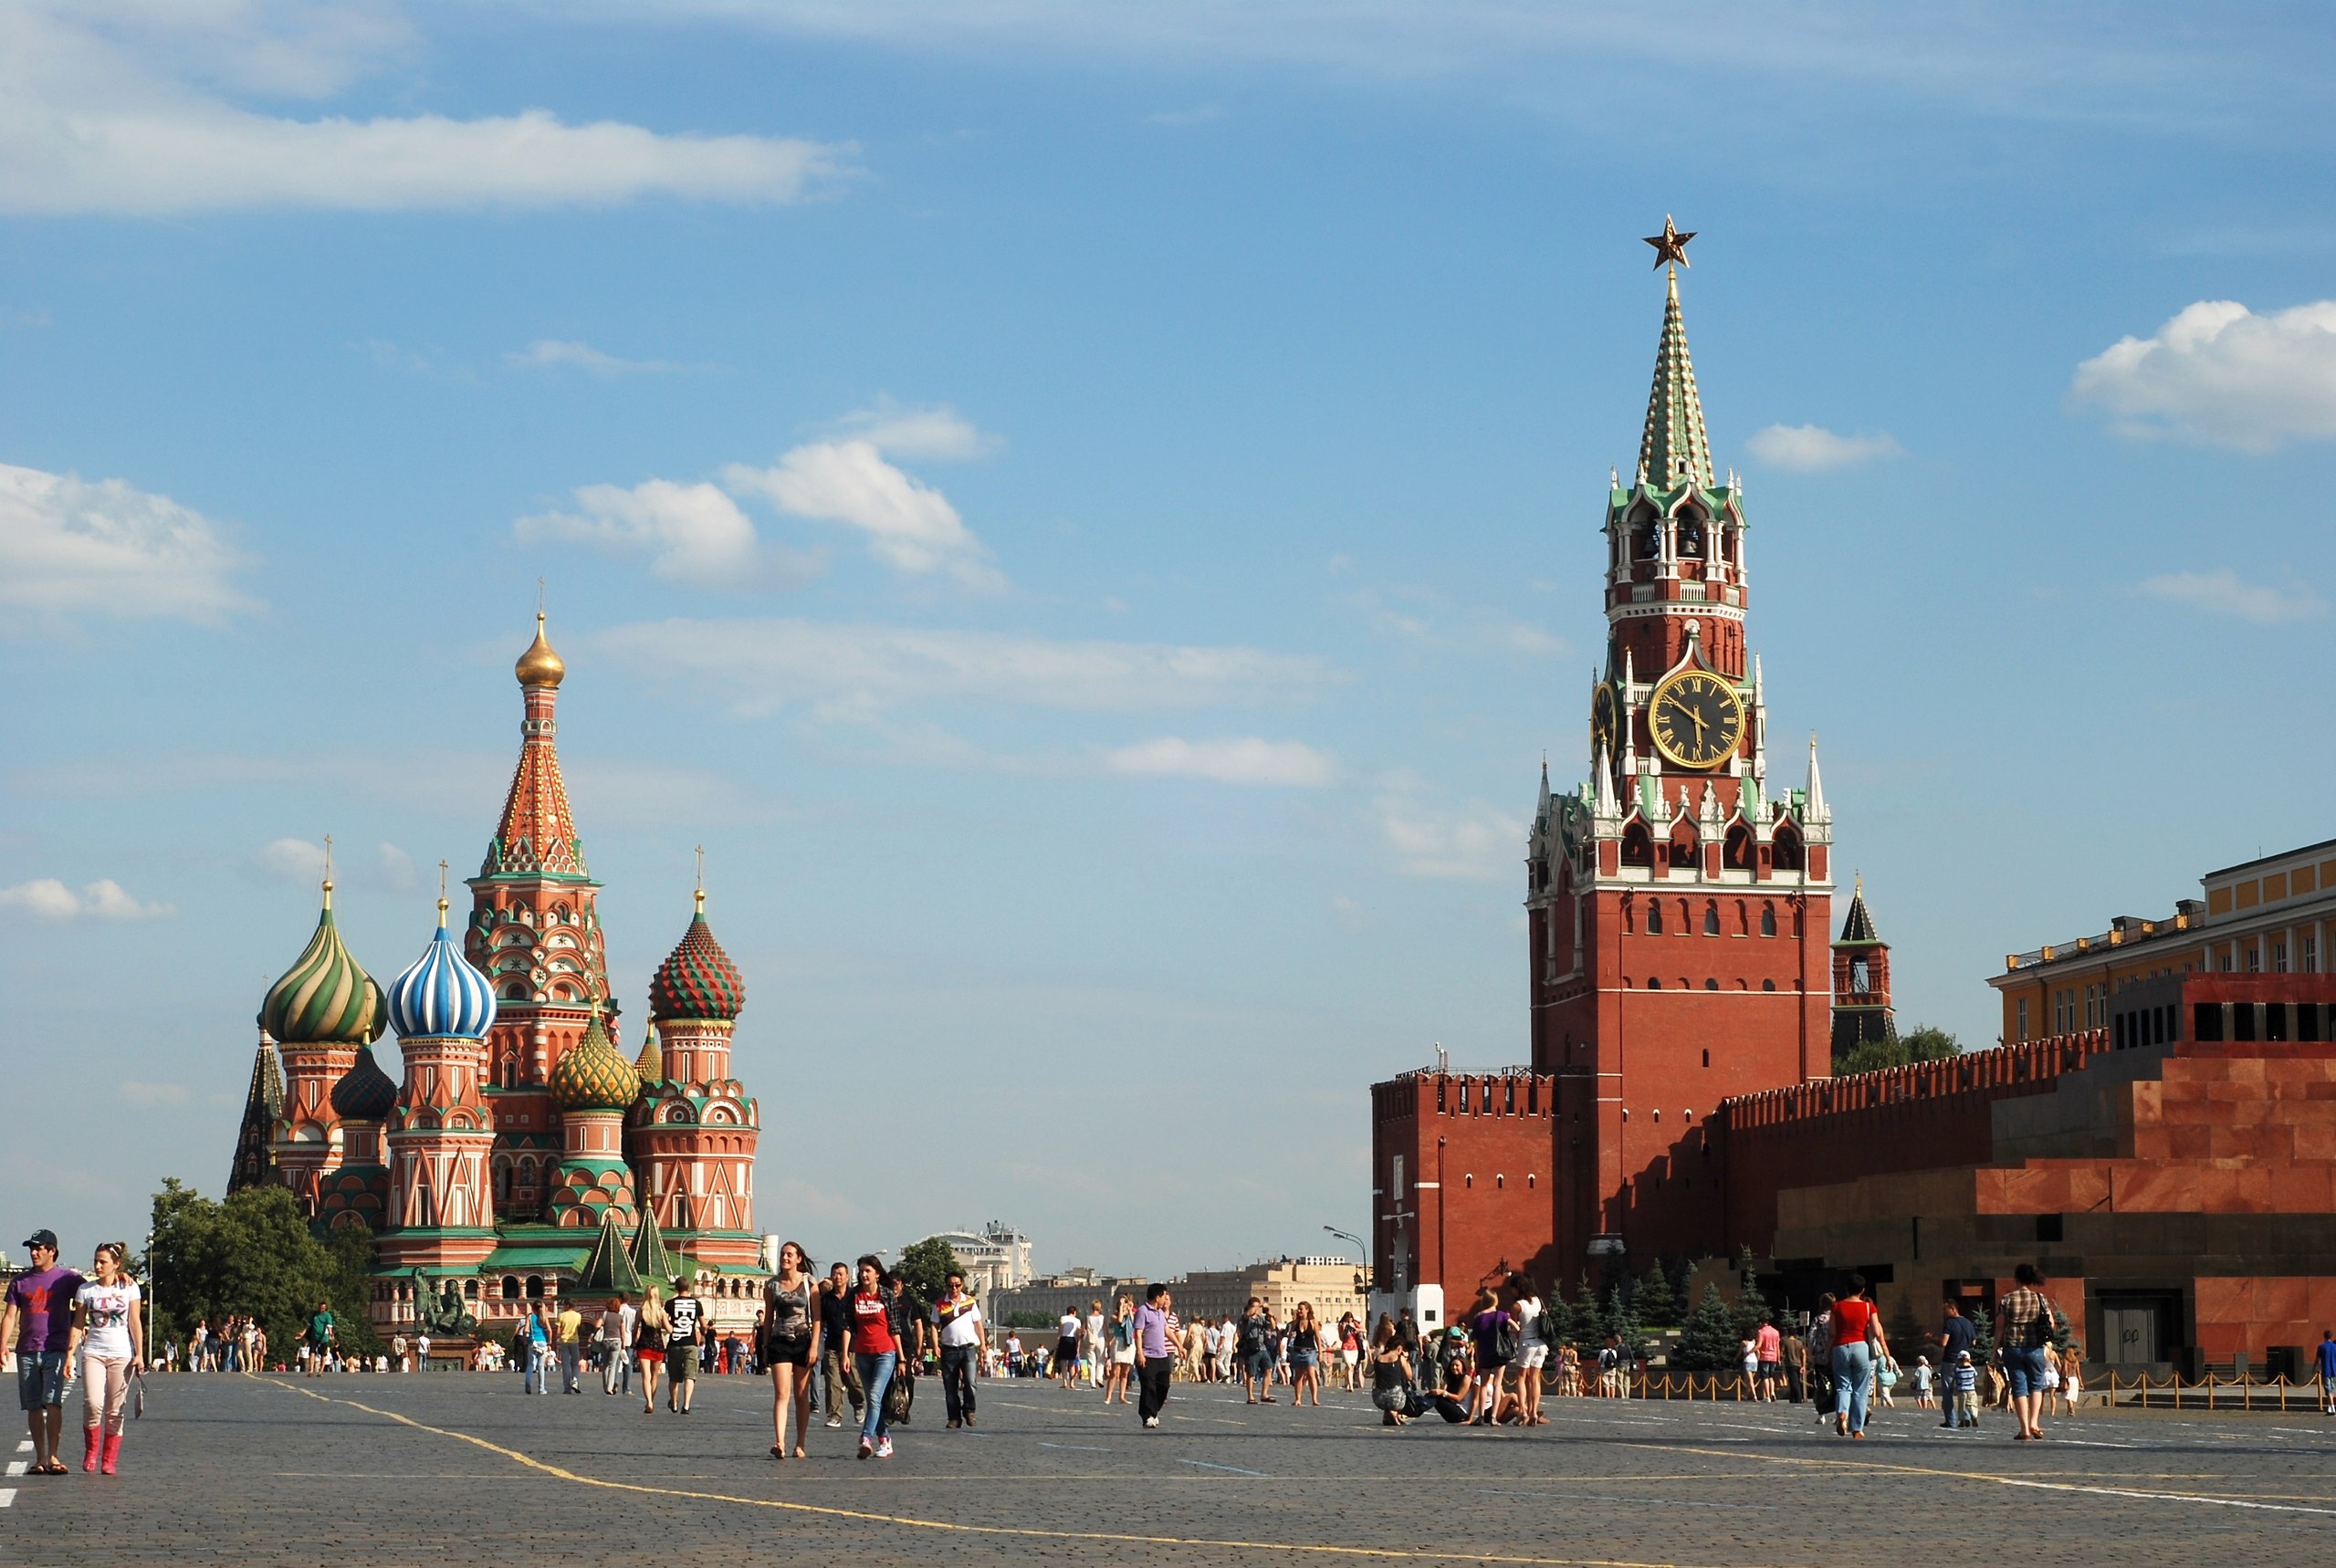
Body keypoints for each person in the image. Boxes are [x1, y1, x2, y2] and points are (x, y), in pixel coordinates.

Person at [2, 1229, 82, 1477]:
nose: (33, 1253)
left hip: (55, 1348)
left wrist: (121, 1276)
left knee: (53, 1401)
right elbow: (10, 1316)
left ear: (52, 1251)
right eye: (31, 1249)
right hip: (26, 1350)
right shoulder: (20, 1282)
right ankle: (39, 1458)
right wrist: (2, 1344)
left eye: (38, 1248)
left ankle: (54, 1456)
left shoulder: (67, 1279)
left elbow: (95, 1289)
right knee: (34, 1406)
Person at [64, 1240, 141, 1475]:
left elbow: (134, 1321)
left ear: (116, 1264)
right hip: (93, 1352)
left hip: (122, 1354)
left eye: (103, 1261)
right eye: (95, 1261)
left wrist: (139, 1354)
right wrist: (70, 1355)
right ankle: (91, 1451)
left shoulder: (130, 1287)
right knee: (93, 1402)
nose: (97, 1265)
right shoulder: (86, 1290)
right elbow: (78, 1325)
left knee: (116, 1408)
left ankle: (109, 1459)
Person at [761, 1241, 817, 1459]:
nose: (785, 1258)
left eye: (789, 1255)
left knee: (801, 1396)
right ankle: (780, 1442)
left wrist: (814, 1346)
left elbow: (817, 1317)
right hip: (780, 1341)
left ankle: (800, 1443)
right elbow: (768, 1319)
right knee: (782, 1393)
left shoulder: (809, 1283)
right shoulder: (771, 1285)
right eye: (783, 1254)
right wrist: (765, 1346)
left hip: (803, 1341)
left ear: (798, 1259)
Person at [848, 1255, 902, 1458]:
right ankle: (885, 1439)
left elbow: (895, 1328)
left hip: (885, 1353)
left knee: (874, 1396)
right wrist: (847, 1353)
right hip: (863, 1353)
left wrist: (902, 1358)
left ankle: (865, 1438)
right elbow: (848, 1326)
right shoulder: (854, 1296)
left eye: (868, 1271)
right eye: (861, 1271)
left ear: (877, 1274)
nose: (864, 1275)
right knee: (874, 1401)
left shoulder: (886, 1295)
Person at [1995, 1263, 2053, 1441]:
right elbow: (2050, 1322)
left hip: (2012, 1347)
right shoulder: (2040, 1298)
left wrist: (1994, 1352)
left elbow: (1999, 1328)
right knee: (2036, 1385)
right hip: (2035, 1347)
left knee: (2019, 1388)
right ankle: (2035, 1422)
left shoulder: (2007, 1299)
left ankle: (2025, 1429)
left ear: (2016, 1278)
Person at [1828, 1276, 1883, 1439]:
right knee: (1861, 1389)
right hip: (1861, 1348)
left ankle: (1842, 1413)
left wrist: (1827, 1353)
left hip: (1840, 1347)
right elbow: (1876, 1331)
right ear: (1863, 1290)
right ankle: (1857, 1428)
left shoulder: (1836, 1307)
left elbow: (1832, 1333)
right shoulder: (1869, 1307)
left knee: (1843, 1387)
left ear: (1846, 1288)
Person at [932, 1268, 986, 1430]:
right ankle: (954, 1418)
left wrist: (983, 1344)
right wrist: (935, 1345)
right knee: (950, 1387)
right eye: (950, 1286)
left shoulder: (970, 1302)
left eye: (957, 1285)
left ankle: (969, 1410)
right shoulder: (940, 1304)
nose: (954, 1288)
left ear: (962, 1285)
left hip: (968, 1348)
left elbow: (978, 1324)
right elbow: (934, 1326)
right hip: (948, 1349)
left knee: (970, 1381)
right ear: (946, 1287)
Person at [818, 1262, 863, 1430]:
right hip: (831, 1345)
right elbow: (820, 1322)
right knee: (833, 1383)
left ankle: (859, 1404)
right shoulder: (826, 1299)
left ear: (847, 1277)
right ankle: (835, 1415)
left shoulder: (855, 1296)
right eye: (834, 1274)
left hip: (853, 1346)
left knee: (854, 1380)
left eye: (840, 1274)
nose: (837, 1277)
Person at [1467, 1286, 1514, 1426]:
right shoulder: (1502, 1315)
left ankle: (1481, 1416)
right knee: (1497, 1384)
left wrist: (1476, 1357)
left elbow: (1475, 1340)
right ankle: (1493, 1417)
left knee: (1483, 1384)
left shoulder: (1478, 1317)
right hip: (1500, 1353)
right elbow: (1516, 1329)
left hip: (1485, 1353)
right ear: (1496, 1300)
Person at [1133, 1282, 1177, 1428]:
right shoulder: (1142, 1311)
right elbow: (1138, 1333)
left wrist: (1179, 1346)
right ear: (1157, 1297)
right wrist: (1140, 1353)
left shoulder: (1160, 1313)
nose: (1166, 1299)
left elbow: (1167, 1330)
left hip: (1162, 1356)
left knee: (1164, 1385)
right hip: (1147, 1355)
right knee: (1149, 1388)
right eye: (1165, 1296)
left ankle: (1154, 1411)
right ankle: (1147, 1416)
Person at [1512, 1277, 1548, 1426]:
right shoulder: (1539, 1301)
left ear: (1518, 1288)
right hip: (1540, 1343)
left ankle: (1522, 1412)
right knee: (1535, 1379)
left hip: (1526, 1343)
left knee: (1521, 1377)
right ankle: (1534, 1411)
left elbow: (1515, 1327)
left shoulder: (1517, 1306)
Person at [665, 1275, 704, 1415]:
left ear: (676, 1288)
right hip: (690, 1343)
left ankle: (674, 1403)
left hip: (675, 1343)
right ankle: (686, 1405)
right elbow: (703, 1324)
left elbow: (663, 1317)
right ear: (689, 1288)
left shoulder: (670, 1304)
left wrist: (670, 1328)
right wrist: (704, 1331)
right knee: (690, 1375)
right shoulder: (696, 1304)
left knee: (674, 1377)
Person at [1369, 1316, 1415, 1426]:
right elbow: (1409, 1377)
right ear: (1399, 1348)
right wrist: (1407, 1360)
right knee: (1401, 1390)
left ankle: (1387, 1416)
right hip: (1396, 1398)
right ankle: (1394, 1412)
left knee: (1386, 1390)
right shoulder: (1400, 1358)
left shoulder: (1379, 1358)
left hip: (1378, 1398)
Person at [634, 1286, 668, 1414]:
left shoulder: (641, 1311)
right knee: (654, 1376)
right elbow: (669, 1329)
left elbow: (635, 1329)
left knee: (646, 1376)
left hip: (644, 1345)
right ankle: (650, 1401)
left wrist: (632, 1342)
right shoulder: (661, 1312)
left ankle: (649, 1402)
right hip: (658, 1346)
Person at [1237, 1298, 1274, 1404]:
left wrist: (1270, 1314)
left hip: (1262, 1348)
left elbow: (1272, 1327)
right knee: (1251, 1373)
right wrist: (1259, 1306)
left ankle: (1264, 1394)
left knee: (1269, 1369)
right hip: (1250, 1348)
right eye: (1254, 1306)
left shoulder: (1260, 1319)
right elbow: (1248, 1314)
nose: (1257, 1309)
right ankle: (1250, 1396)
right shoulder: (1245, 1318)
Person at [1286, 1301, 1324, 1407]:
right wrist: (1288, 1344)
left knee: (1311, 1374)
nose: (1299, 1311)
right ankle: (1298, 1399)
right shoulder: (1295, 1323)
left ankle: (1314, 1399)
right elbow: (1289, 1336)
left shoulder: (1313, 1323)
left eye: (1301, 1309)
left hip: (1310, 1351)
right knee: (1298, 1376)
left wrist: (1320, 1352)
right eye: (1298, 1309)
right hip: (1297, 1351)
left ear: (1307, 1310)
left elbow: (1317, 1338)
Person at [556, 1296, 586, 1394]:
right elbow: (578, 1327)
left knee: (566, 1365)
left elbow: (558, 1331)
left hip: (564, 1341)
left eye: (564, 1305)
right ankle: (575, 1380)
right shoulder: (578, 1316)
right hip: (575, 1341)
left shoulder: (561, 1316)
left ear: (567, 1305)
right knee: (575, 1364)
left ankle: (567, 1388)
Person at [1950, 1350, 1981, 1428]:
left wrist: (1956, 1365)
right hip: (1971, 1390)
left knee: (1962, 1406)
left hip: (1961, 1390)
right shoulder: (1972, 1369)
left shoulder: (1958, 1370)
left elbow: (1952, 1374)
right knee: (1972, 1404)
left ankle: (1962, 1420)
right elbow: (1975, 1375)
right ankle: (1974, 1416)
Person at [307, 1299, 336, 1378]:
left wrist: (330, 1333)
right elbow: (309, 1324)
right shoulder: (314, 1315)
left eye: (323, 1308)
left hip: (323, 1337)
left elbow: (329, 1325)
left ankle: (321, 1371)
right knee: (312, 1352)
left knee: (323, 1353)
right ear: (318, 1307)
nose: (321, 1309)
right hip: (314, 1336)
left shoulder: (327, 1316)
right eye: (320, 1308)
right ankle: (311, 1370)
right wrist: (302, 1333)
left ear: (325, 1308)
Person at [1755, 1317, 1783, 1401]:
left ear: (1761, 1323)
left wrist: (1750, 1351)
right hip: (1774, 1356)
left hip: (1764, 1356)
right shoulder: (1776, 1332)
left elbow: (1759, 1345)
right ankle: (1772, 1393)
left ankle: (1767, 1396)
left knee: (1765, 1377)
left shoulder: (1761, 1332)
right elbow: (1778, 1346)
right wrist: (1778, 1358)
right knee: (1771, 1376)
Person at [2316, 1331, 2336, 1416]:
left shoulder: (2321, 1347)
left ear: (2324, 1336)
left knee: (2328, 1390)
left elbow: (2317, 1359)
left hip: (2327, 1370)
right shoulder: (2335, 1346)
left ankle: (2332, 1408)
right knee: (2331, 1389)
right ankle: (2329, 1408)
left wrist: (2314, 1367)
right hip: (2334, 1370)